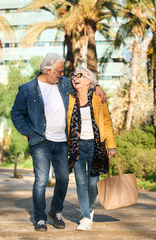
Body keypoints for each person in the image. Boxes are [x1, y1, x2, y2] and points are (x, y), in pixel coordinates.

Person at [10, 53, 106, 232]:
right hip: (40, 141)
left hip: (62, 141)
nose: (61, 75)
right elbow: (16, 114)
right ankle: (40, 218)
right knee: (41, 180)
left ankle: (56, 211)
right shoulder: (27, 89)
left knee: (63, 179)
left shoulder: (62, 84)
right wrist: (29, 133)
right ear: (47, 70)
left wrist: (98, 86)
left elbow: (84, 83)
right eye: (58, 71)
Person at [67, 66, 116, 231]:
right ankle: (86, 217)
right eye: (73, 76)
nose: (74, 78)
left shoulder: (97, 97)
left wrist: (112, 146)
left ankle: (89, 208)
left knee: (93, 183)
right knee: (80, 183)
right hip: (77, 145)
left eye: (78, 75)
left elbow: (107, 122)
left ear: (88, 79)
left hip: (96, 144)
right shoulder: (69, 98)